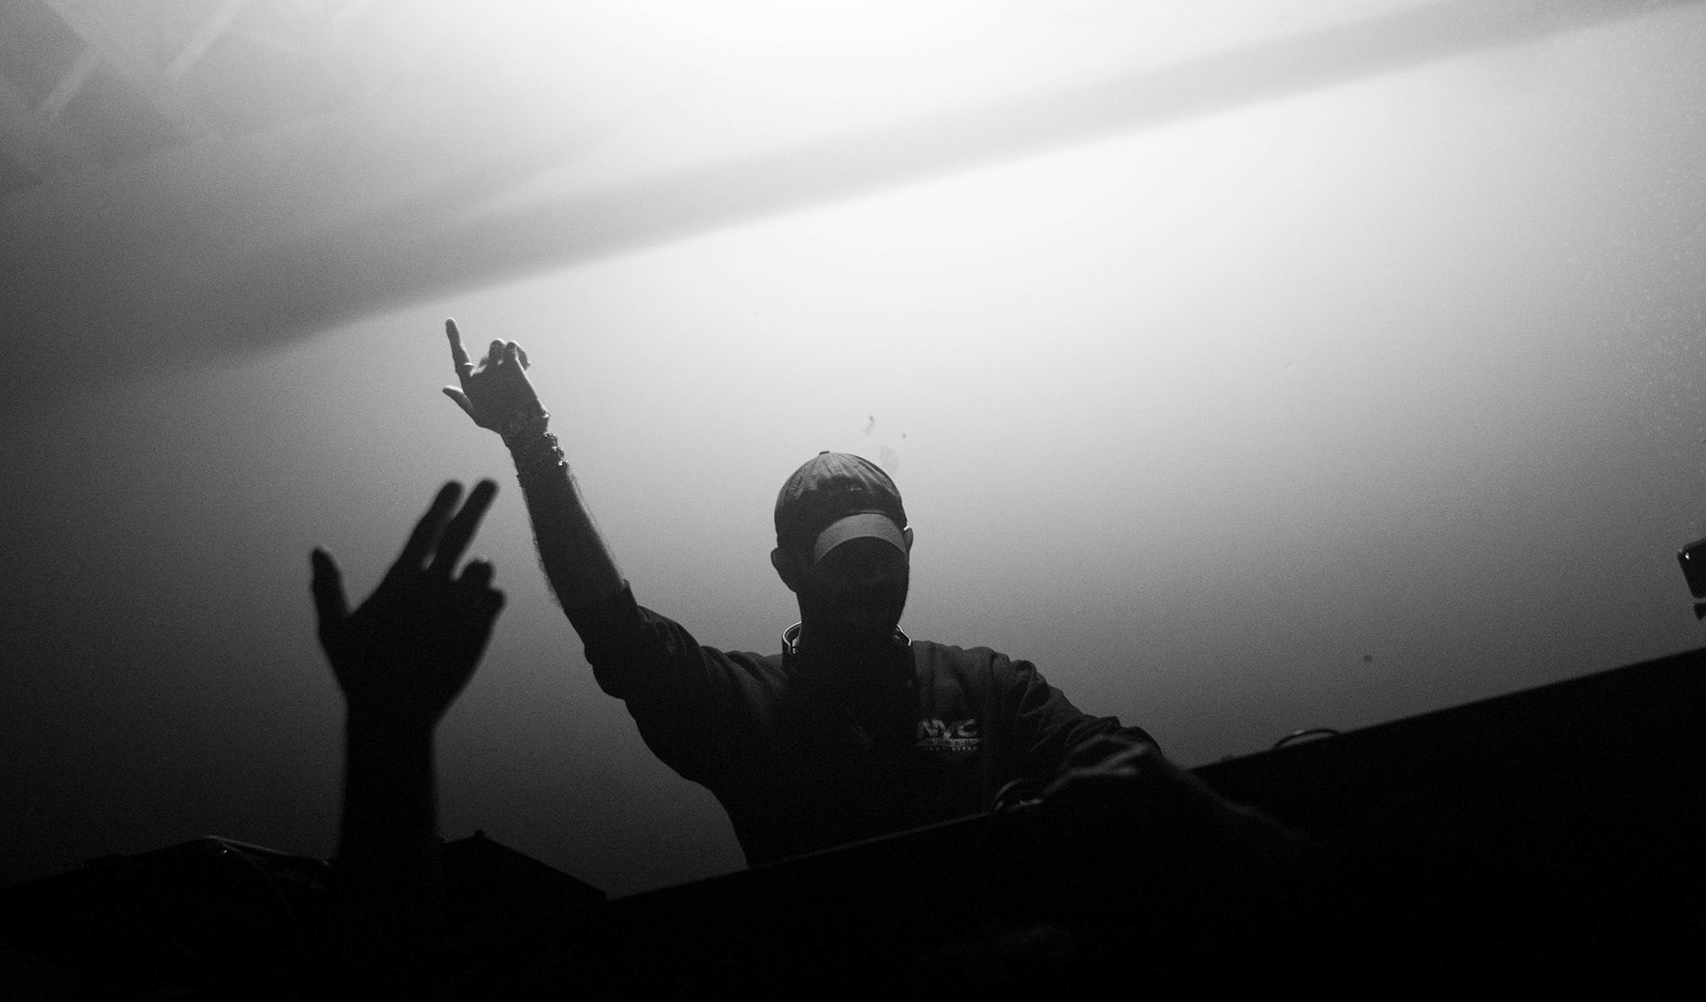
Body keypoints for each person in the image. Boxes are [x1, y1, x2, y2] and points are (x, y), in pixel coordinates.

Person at [439, 320, 1308, 879]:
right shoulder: (744, 707)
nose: (869, 576)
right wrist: (530, 441)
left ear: (909, 549)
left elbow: (1126, 765)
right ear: (788, 569)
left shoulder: (988, 688)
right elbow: (615, 632)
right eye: (843, 557)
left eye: (883, 553)